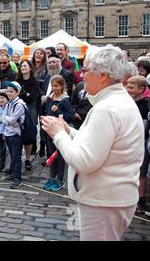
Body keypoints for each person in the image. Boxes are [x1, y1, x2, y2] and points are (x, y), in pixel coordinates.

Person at [41, 45, 144, 241]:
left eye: (87, 70)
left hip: (104, 201)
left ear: (103, 75)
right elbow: (98, 143)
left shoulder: (107, 108)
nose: (82, 75)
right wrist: (68, 130)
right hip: (108, 199)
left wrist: (58, 135)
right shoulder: (116, 101)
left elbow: (84, 160)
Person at [42, 75, 74, 192]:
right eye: (53, 85)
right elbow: (47, 112)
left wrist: (59, 111)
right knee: (51, 156)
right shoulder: (50, 98)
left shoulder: (64, 100)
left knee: (59, 157)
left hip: (59, 132)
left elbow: (70, 116)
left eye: (57, 86)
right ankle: (52, 177)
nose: (55, 88)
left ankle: (60, 180)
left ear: (62, 86)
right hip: (49, 131)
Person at [126, 75, 150, 214]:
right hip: (128, 141)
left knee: (141, 171)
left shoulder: (146, 103)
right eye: (127, 87)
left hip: (142, 141)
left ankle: (140, 200)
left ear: (142, 89)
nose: (128, 90)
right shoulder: (125, 102)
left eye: (131, 87)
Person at [0, 81, 25, 189]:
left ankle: (17, 178)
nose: (9, 94)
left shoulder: (19, 105)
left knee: (16, 156)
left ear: (17, 92)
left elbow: (12, 119)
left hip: (16, 134)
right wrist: (8, 120)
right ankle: (13, 173)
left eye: (11, 92)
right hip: (8, 132)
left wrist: (8, 120)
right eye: (8, 91)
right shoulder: (9, 103)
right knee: (12, 155)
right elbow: (4, 118)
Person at [17, 60, 40, 171]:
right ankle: (16, 158)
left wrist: (22, 94)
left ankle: (27, 159)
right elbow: (14, 95)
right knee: (17, 134)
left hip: (30, 110)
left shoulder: (34, 81)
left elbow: (32, 98)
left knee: (29, 135)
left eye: (25, 65)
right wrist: (26, 94)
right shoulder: (17, 81)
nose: (23, 67)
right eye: (21, 66)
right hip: (18, 109)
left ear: (30, 68)